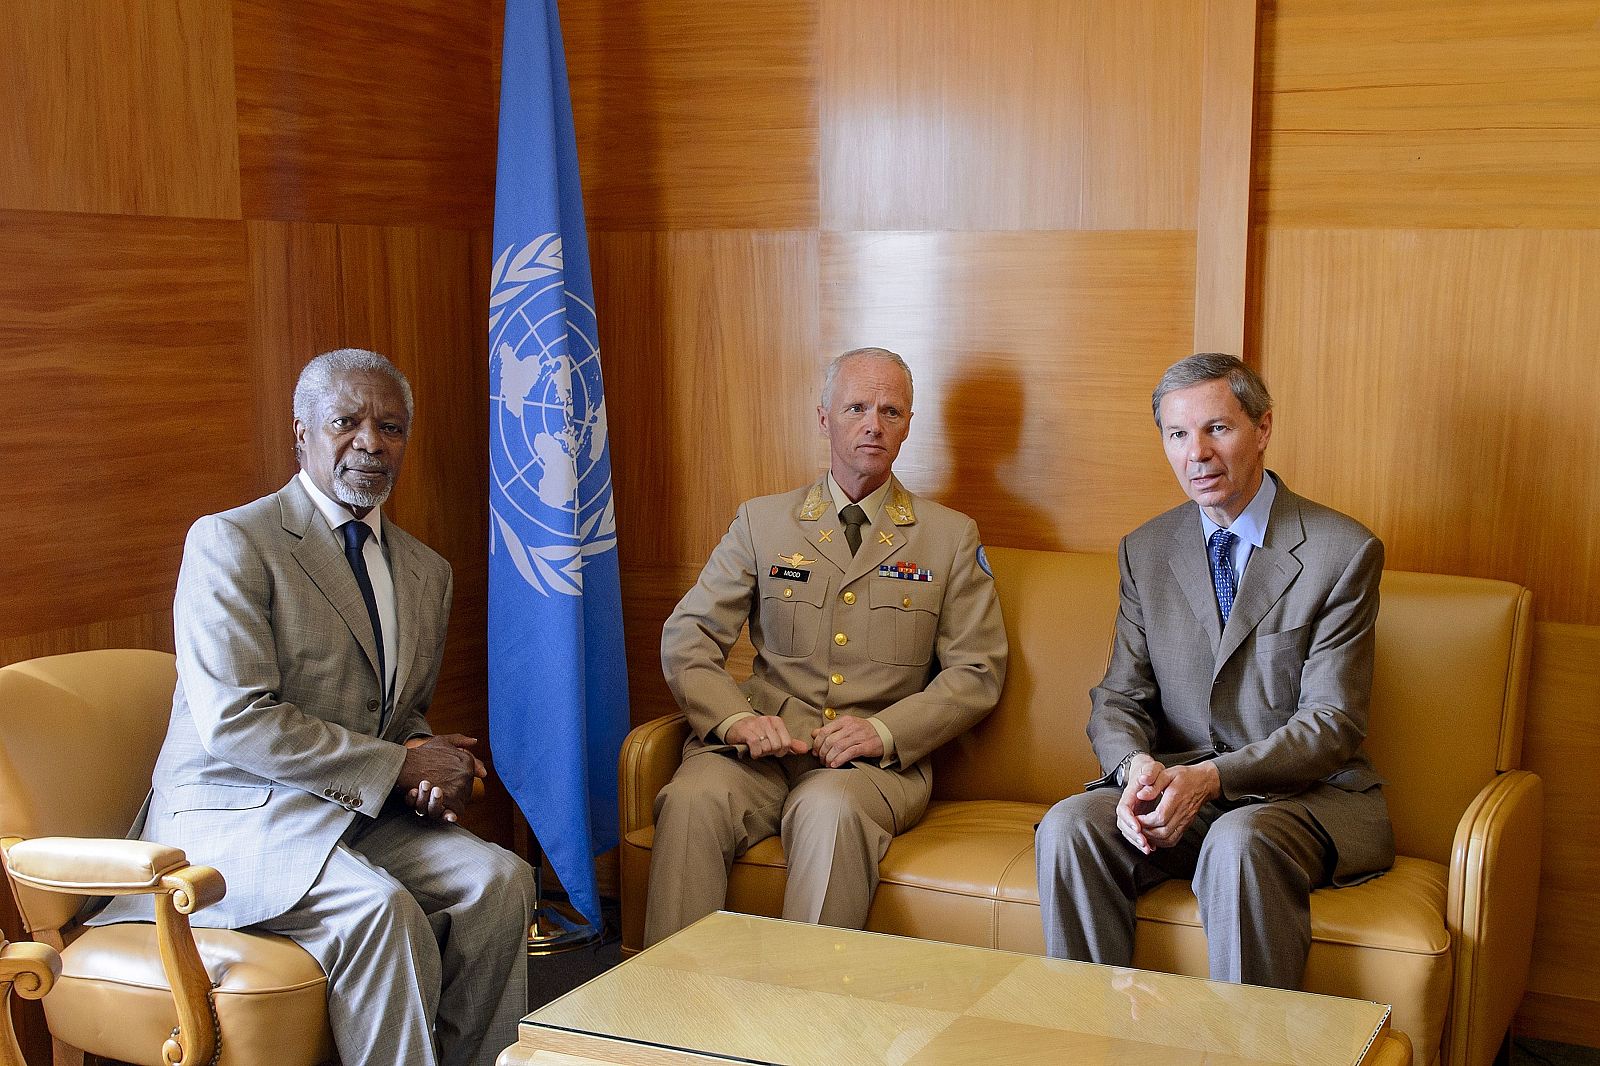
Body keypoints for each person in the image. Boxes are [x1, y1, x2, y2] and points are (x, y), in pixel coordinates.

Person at [95, 349, 535, 1065]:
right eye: (347, 421)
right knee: (379, 911)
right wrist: (400, 764)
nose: (371, 442)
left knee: (502, 882)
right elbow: (236, 719)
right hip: (238, 820)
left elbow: (398, 720)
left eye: (390, 427)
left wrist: (428, 769)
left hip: (354, 818)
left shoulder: (428, 572)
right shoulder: (232, 542)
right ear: (302, 433)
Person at [1035, 352, 1393, 990]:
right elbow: (1119, 696)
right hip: (1182, 794)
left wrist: (1211, 777)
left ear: (1262, 429)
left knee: (1238, 840)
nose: (1196, 453)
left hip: (1299, 798)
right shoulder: (1146, 549)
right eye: (1177, 434)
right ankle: (1092, 1042)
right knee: (1070, 826)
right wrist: (1134, 769)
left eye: (1217, 429)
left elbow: (1333, 722)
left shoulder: (1342, 551)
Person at [645, 347, 1009, 947]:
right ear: (823, 418)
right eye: (857, 407)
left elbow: (977, 671)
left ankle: (800, 1021)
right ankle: (664, 1017)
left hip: (871, 767)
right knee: (693, 796)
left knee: (828, 811)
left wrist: (885, 733)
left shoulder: (948, 537)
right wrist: (734, 720)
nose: (874, 425)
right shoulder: (763, 523)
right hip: (764, 752)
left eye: (891, 411)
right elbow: (689, 635)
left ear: (908, 425)